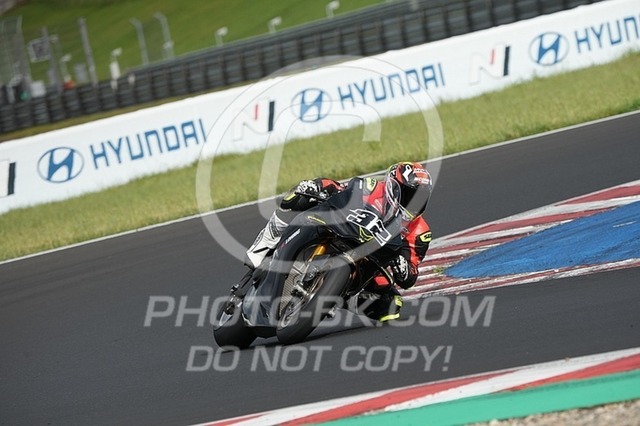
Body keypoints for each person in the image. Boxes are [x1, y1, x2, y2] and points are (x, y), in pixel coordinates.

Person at [240, 161, 433, 323]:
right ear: (392, 187)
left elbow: (410, 275)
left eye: (421, 198)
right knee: (297, 198)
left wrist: (404, 268)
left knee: (391, 305)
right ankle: (264, 245)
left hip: (368, 265)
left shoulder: (420, 232)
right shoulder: (372, 187)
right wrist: (317, 187)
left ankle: (335, 296)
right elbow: (342, 189)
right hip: (342, 230)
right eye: (409, 195)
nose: (414, 203)